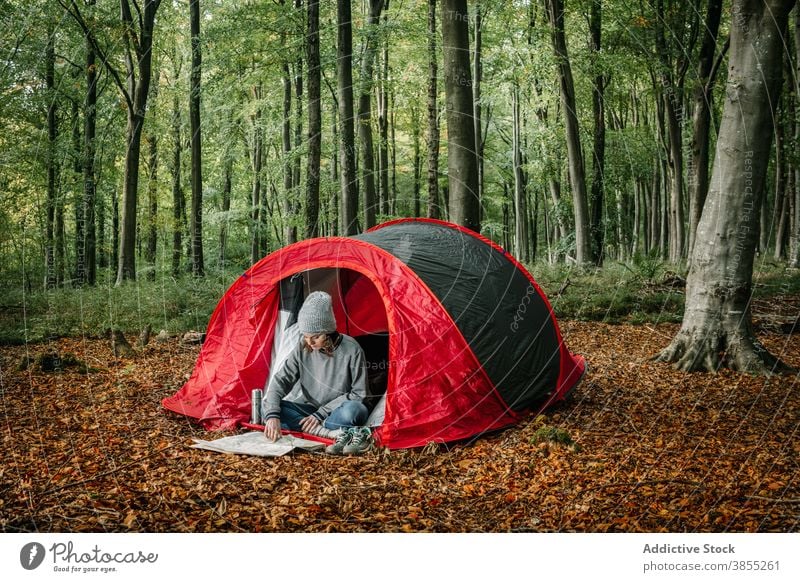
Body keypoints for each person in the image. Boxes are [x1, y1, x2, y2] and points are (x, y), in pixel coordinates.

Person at [262, 290, 373, 455]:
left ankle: (315, 430)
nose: (309, 342)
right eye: (306, 336)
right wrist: (272, 416)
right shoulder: (303, 347)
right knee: (267, 406)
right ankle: (330, 433)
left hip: (337, 412)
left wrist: (320, 414)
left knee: (354, 410)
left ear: (328, 331)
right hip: (310, 411)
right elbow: (280, 381)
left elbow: (359, 394)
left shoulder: (352, 349)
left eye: (315, 337)